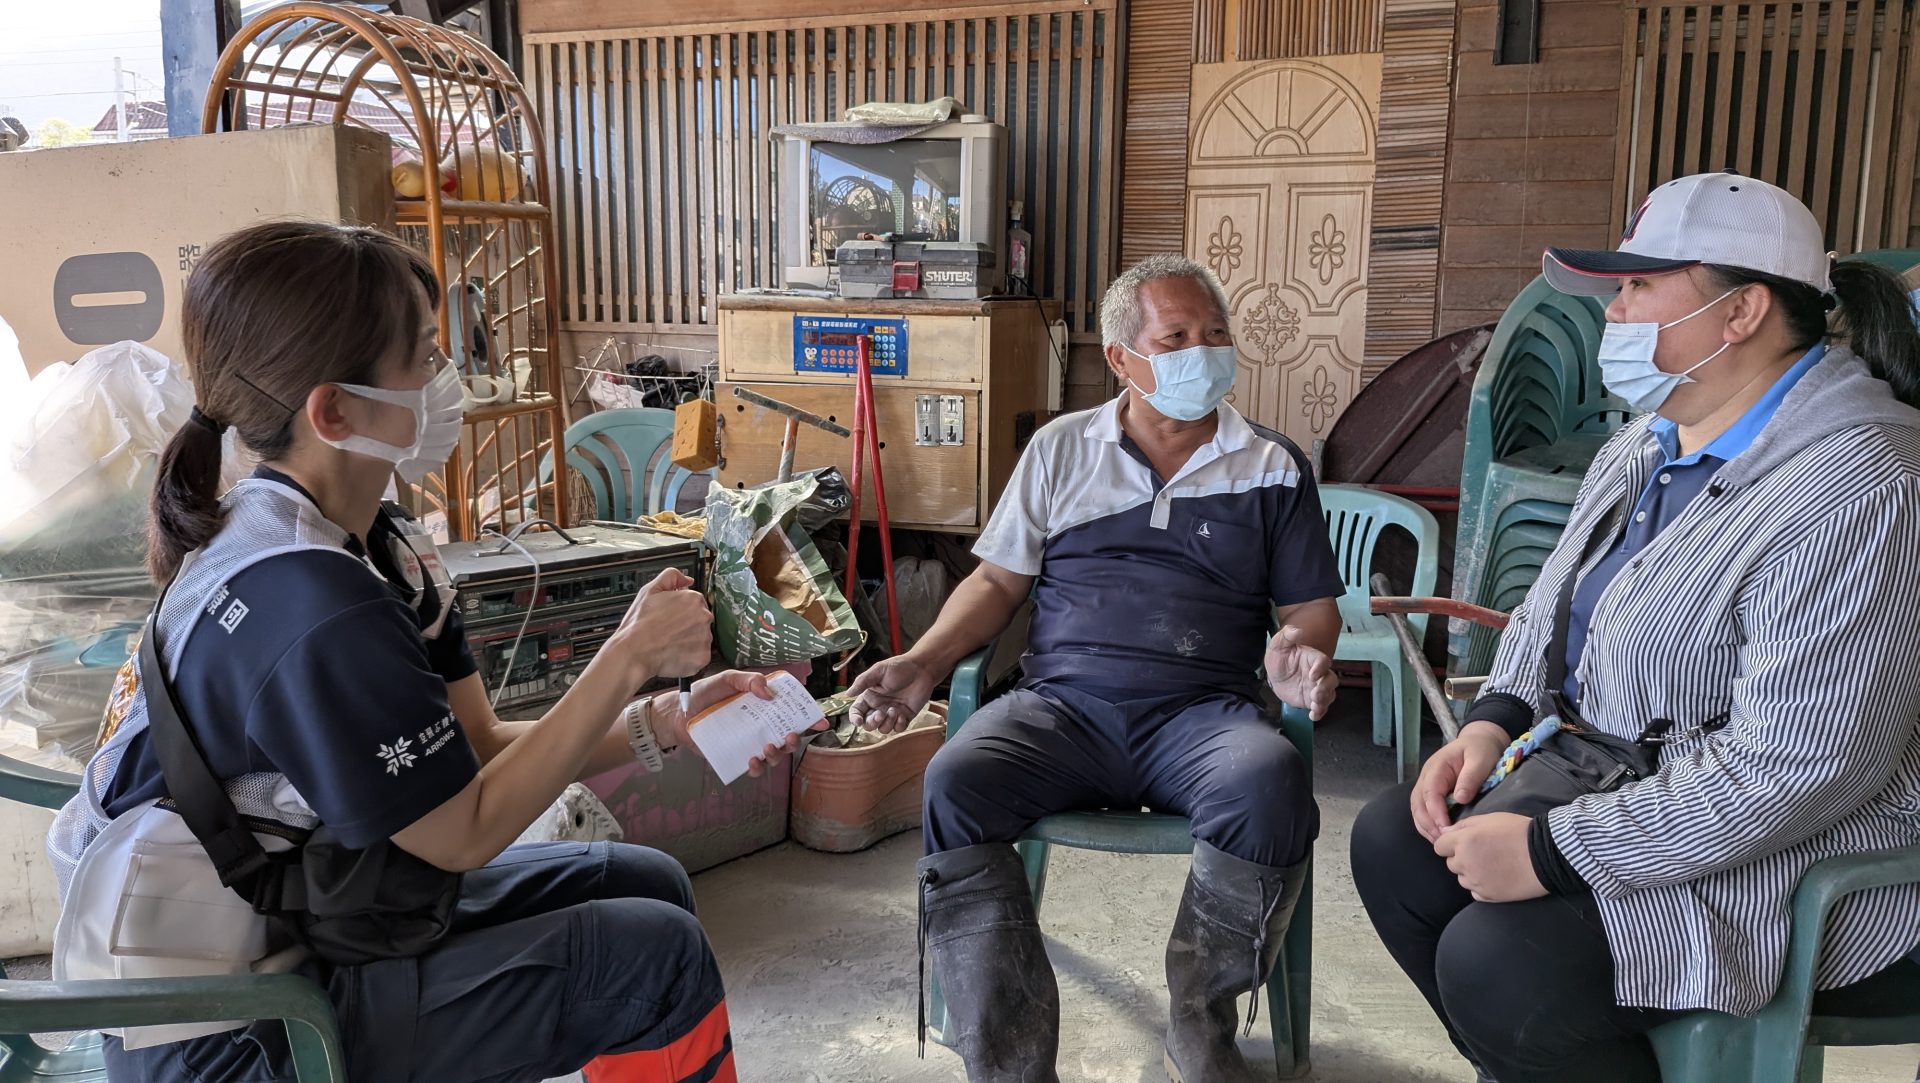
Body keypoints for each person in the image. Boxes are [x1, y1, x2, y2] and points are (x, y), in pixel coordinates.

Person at [45, 220, 812, 1083]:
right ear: (332, 411)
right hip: (221, 1026)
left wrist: (662, 719)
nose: (444, 382)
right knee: (653, 955)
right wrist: (627, 657)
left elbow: (474, 753)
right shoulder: (307, 600)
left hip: (305, 913)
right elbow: (466, 832)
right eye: (421, 358)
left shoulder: (361, 539)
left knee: (646, 879)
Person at [1350, 173, 1920, 1082]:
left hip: (1784, 843)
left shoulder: (1861, 485)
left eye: (1640, 287)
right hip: (1605, 774)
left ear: (1742, 313)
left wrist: (1551, 850)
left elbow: (1800, 769)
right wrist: (1495, 719)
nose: (1614, 312)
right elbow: (1549, 606)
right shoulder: (1648, 442)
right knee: (1393, 845)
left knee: (1499, 964)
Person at [848, 254, 1344, 1083]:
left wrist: (1302, 655)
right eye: (1177, 335)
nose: (1204, 351)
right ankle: (1007, 1062)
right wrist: (925, 661)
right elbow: (999, 579)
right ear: (1121, 357)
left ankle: (1200, 1031)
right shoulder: (1060, 449)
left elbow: (1309, 608)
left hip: (1204, 716)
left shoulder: (1272, 464)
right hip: (1062, 711)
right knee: (958, 780)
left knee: (1271, 781)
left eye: (1215, 333)